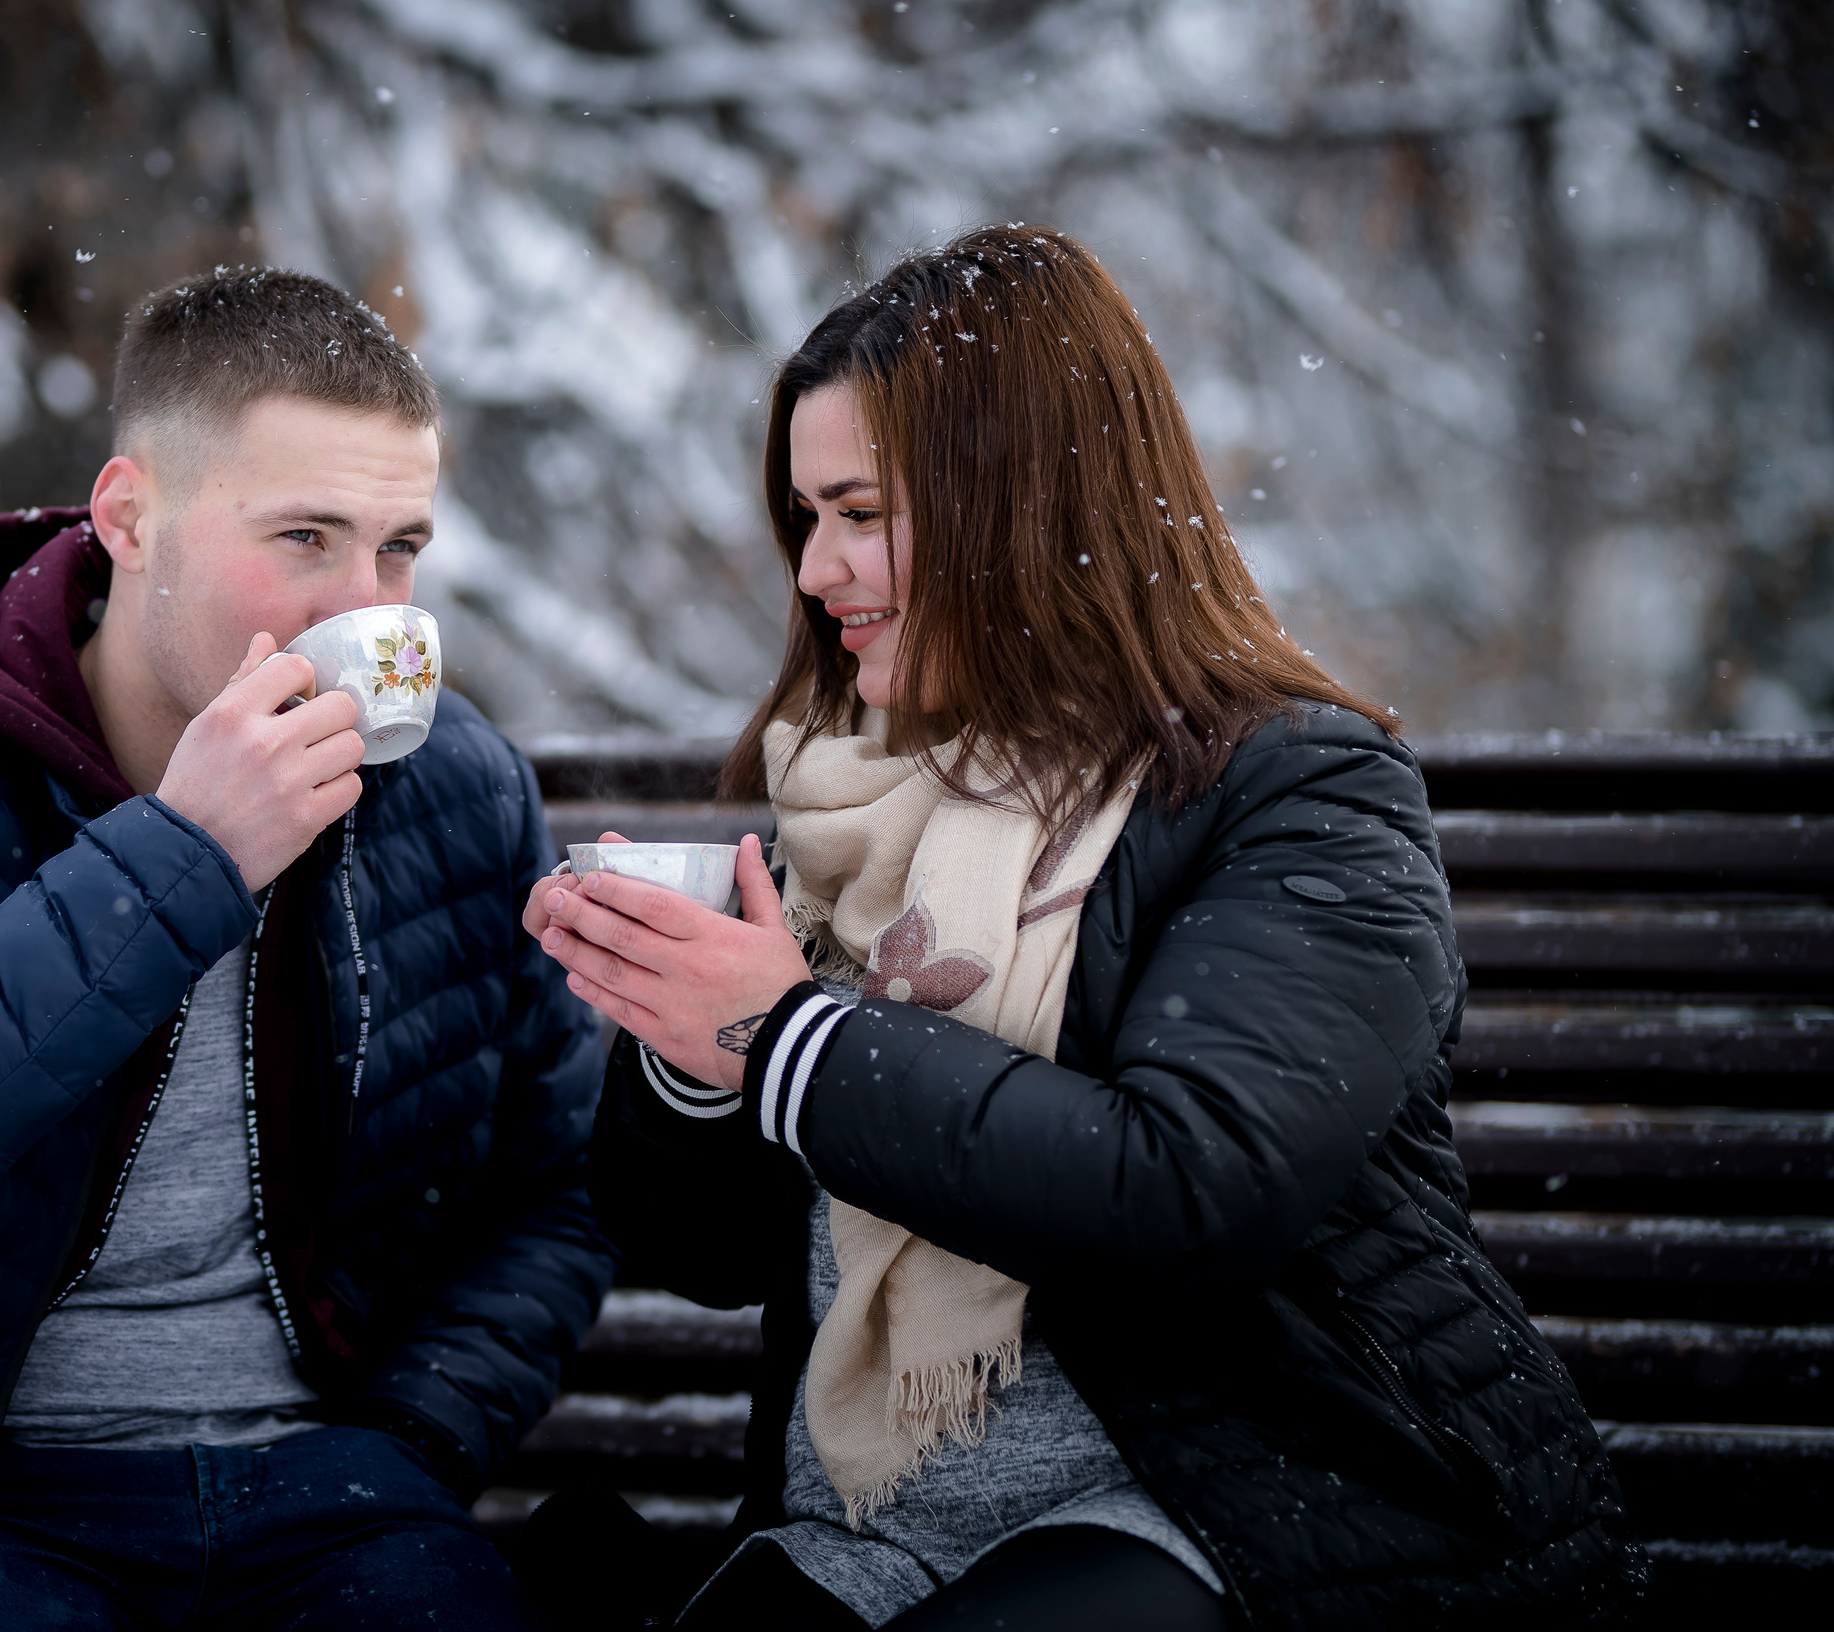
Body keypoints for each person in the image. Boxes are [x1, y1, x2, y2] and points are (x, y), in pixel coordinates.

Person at [523, 226, 1642, 1630]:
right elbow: (695, 1249)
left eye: (863, 512)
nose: (818, 571)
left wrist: (787, 1038)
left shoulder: (1297, 798)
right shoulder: (840, 805)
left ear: (1021, 506)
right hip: (864, 1532)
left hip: (1240, 1514)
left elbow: (1184, 1191)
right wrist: (691, 1043)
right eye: (806, 519)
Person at [0, 267, 609, 1632]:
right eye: (305, 536)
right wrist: (178, 864)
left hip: (337, 1497)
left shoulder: (453, 791)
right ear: (131, 517)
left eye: (398, 550)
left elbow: (556, 1184)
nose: (366, 607)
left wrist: (417, 1437)